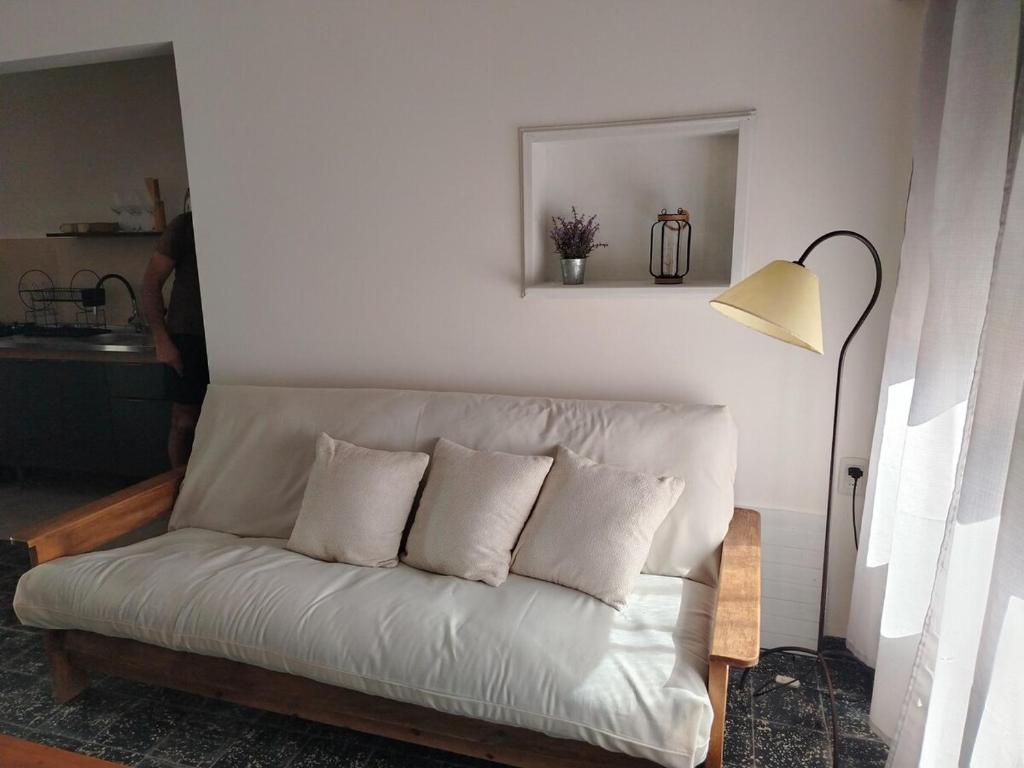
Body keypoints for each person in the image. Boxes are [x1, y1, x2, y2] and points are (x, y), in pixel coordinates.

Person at [142, 210, 208, 468]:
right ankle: (178, 489)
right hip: (187, 336)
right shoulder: (186, 225)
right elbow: (151, 283)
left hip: (230, 339)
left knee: (229, 420)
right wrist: (161, 339)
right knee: (184, 422)